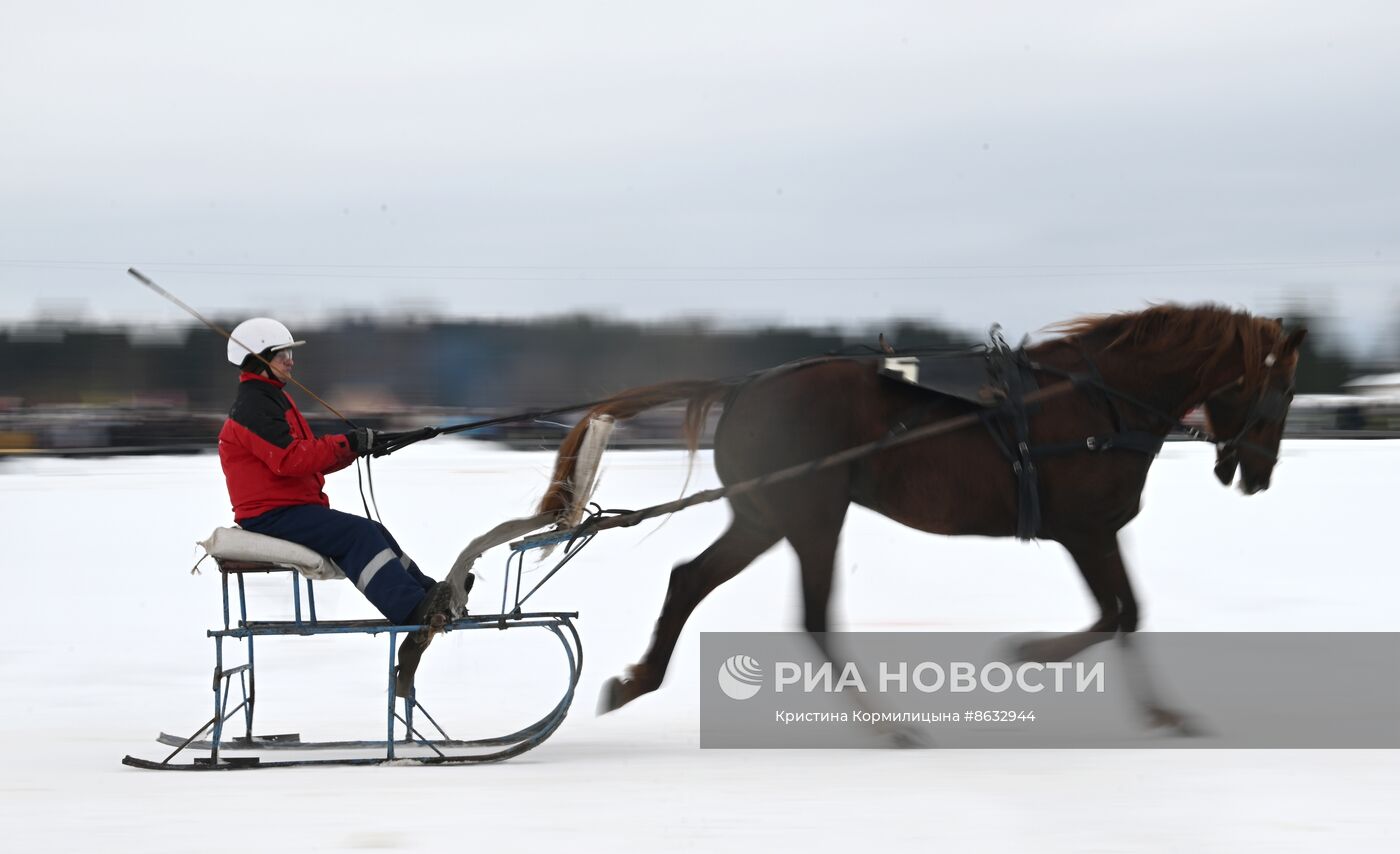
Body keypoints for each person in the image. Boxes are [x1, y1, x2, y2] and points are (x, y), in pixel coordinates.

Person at [217, 317, 468, 695]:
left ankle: (431, 596)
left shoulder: (269, 398)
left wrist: (358, 446)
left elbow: (306, 458)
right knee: (357, 534)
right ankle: (412, 611)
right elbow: (289, 458)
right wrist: (348, 444)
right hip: (270, 515)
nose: (291, 361)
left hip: (288, 507)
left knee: (372, 531)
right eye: (283, 354)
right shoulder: (254, 404)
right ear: (260, 358)